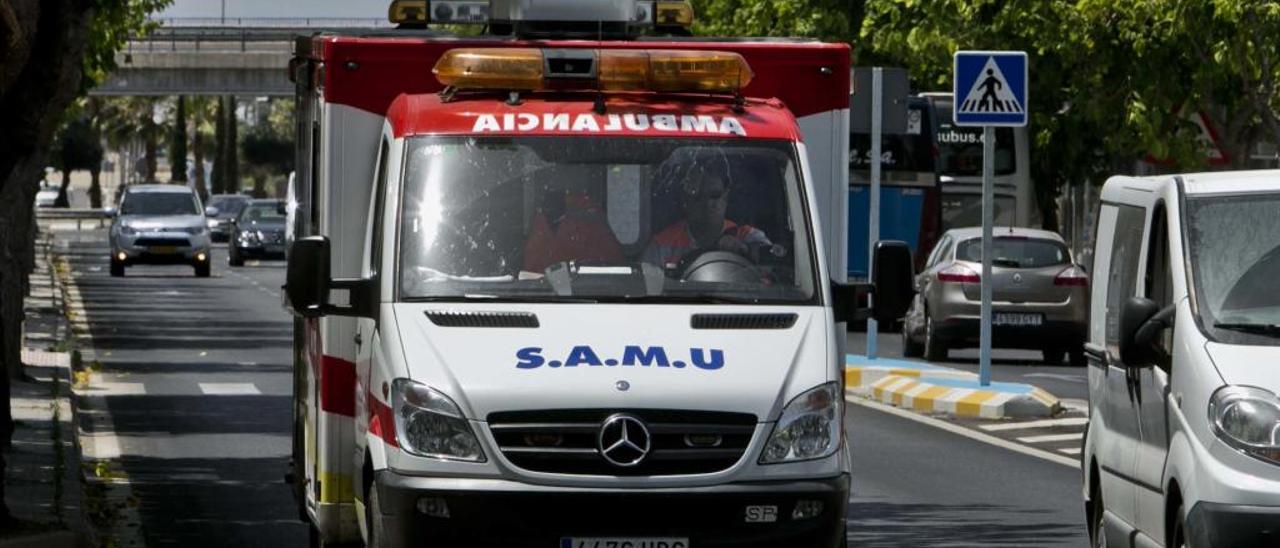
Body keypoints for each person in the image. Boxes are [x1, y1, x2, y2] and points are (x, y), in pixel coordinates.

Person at [643, 162, 771, 269]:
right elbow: (647, 287)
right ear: (685, 201)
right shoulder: (662, 244)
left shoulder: (748, 236)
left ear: (725, 197)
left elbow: (774, 270)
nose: (708, 204)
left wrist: (744, 250)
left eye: (714, 195)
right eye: (698, 197)